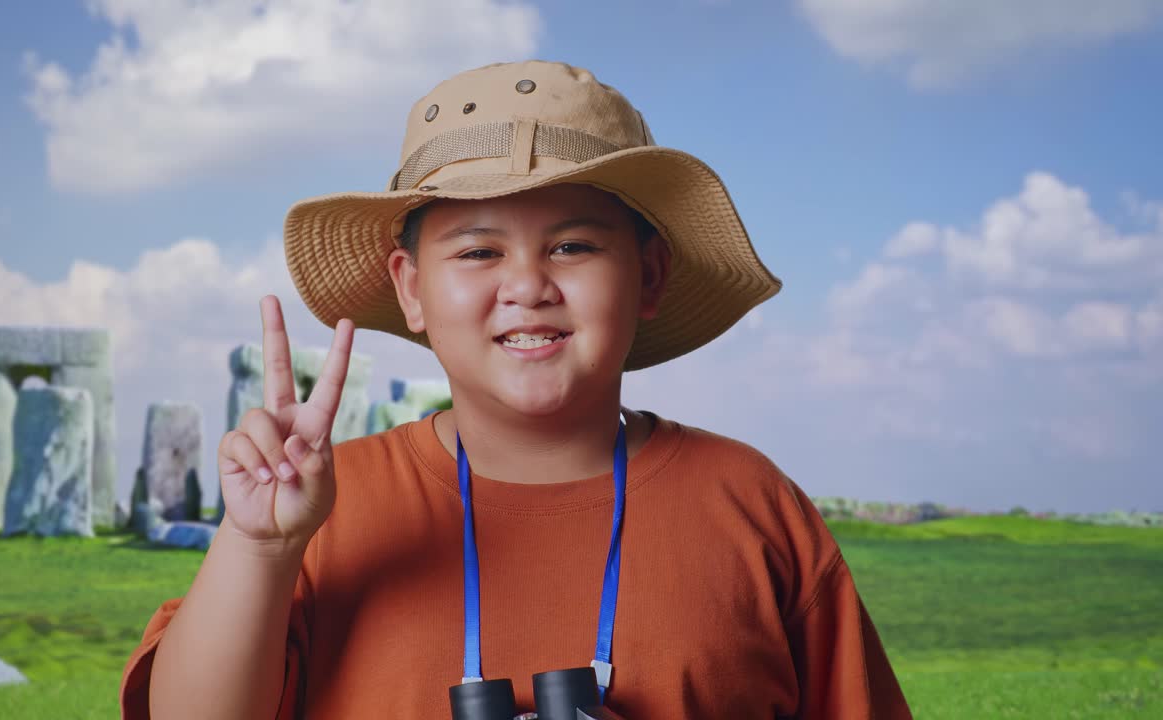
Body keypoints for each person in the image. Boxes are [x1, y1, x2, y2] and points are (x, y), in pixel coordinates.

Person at [120, 59, 913, 719]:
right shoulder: (324, 508)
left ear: (649, 275)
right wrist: (259, 545)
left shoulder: (750, 505)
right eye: (477, 252)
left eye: (572, 246)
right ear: (411, 289)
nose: (527, 285)